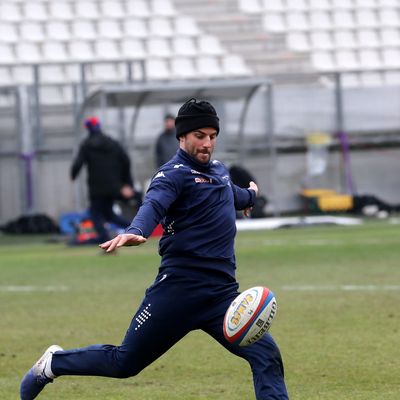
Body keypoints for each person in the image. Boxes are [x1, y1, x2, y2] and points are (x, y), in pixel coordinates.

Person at [20, 99, 288, 400]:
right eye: (200, 135)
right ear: (182, 136)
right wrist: (136, 230)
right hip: (178, 292)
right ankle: (53, 364)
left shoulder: (219, 171)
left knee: (266, 356)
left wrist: (250, 195)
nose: (207, 143)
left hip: (221, 296)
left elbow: (230, 195)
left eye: (212, 136)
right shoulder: (172, 174)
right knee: (124, 363)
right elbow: (154, 204)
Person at [70, 117, 137, 243]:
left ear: (87, 128)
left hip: (96, 187)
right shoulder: (112, 143)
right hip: (113, 186)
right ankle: (134, 230)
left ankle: (104, 238)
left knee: (95, 214)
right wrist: (126, 183)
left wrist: (73, 175)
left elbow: (78, 163)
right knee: (109, 215)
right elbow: (125, 160)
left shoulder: (86, 144)